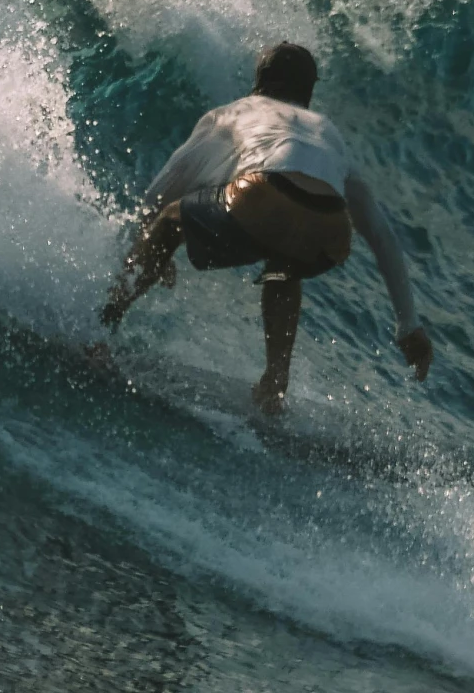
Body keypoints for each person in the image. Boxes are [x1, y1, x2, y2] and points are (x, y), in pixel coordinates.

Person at [100, 42, 434, 414]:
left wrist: (153, 247)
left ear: (258, 81)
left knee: (170, 218)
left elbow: (158, 193)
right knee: (285, 264)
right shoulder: (328, 132)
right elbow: (381, 234)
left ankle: (102, 330)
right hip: (330, 228)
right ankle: (274, 385)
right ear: (309, 91)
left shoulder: (234, 112)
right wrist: (408, 323)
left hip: (263, 196)